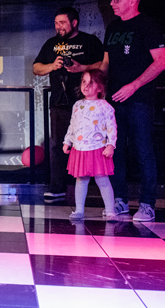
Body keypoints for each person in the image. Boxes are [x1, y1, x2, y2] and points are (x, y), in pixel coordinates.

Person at [99, 0, 165, 222]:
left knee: (143, 150)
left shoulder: (147, 25)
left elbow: (161, 62)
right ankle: (119, 200)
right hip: (113, 100)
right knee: (114, 150)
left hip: (139, 100)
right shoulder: (112, 27)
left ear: (133, 0)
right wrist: (98, 86)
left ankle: (147, 204)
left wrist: (134, 85)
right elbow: (106, 62)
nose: (112, 3)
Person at [33, 7, 103, 200]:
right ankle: (57, 188)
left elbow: (104, 65)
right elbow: (36, 68)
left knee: (91, 143)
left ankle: (97, 187)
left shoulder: (90, 41)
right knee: (57, 145)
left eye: (62, 23)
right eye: (56, 23)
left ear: (74, 22)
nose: (58, 27)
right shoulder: (51, 43)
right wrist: (52, 66)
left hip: (88, 103)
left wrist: (82, 68)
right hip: (59, 102)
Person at [63, 70, 117, 221]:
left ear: (100, 87)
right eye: (84, 82)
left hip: (98, 149)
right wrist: (67, 141)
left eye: (91, 83)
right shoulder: (77, 105)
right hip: (80, 149)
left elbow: (112, 127)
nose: (86, 86)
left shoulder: (105, 106)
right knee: (81, 180)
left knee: (102, 180)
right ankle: (79, 210)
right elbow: (72, 125)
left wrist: (111, 145)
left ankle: (110, 211)